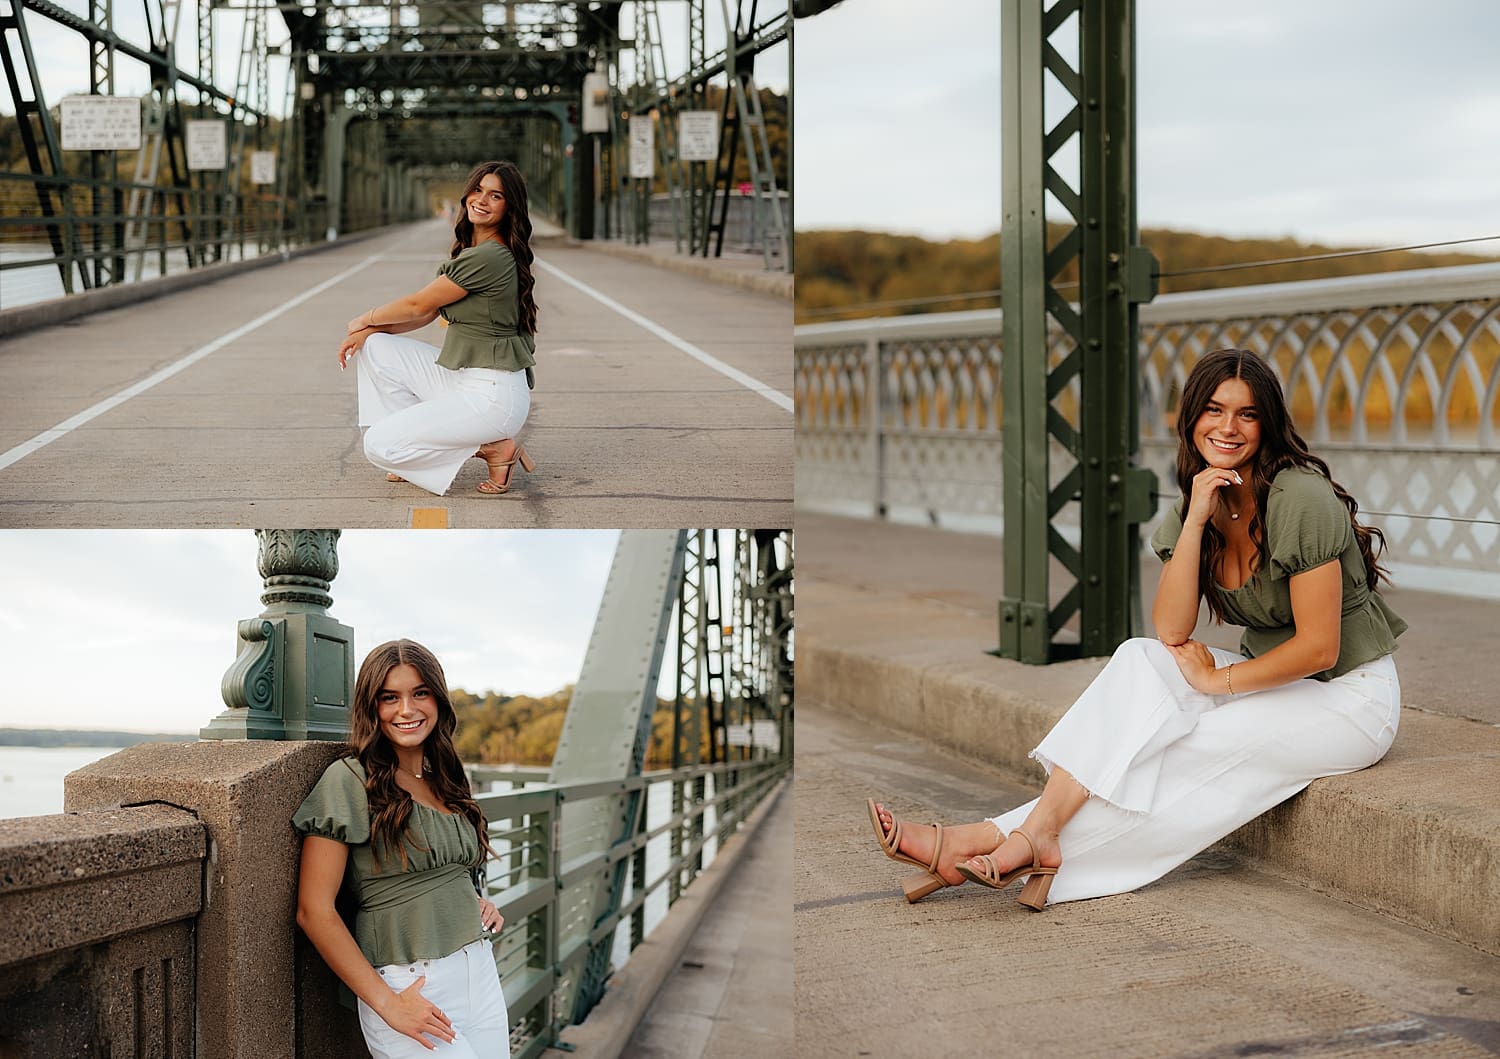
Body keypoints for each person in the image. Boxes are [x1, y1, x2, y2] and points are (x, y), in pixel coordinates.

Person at [869, 347, 1406, 909]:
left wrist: (1217, 682)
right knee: (1140, 658)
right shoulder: (1203, 496)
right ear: (1191, 416)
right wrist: (1196, 519)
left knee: (1185, 746)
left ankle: (982, 842)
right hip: (1278, 686)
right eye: (1214, 410)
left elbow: (1320, 650)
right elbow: (1171, 630)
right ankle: (1034, 834)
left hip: (1350, 699)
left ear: (1267, 423)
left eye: (1247, 414)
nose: (1228, 427)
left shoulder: (1299, 497)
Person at [295, 639, 510, 1057]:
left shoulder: (445, 780)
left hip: (479, 971)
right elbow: (314, 911)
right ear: (371, 706)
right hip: (410, 986)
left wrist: (475, 902)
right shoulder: (349, 779)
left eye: (420, 693)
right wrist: (389, 1005)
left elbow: (445, 872)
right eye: (390, 697)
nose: (407, 710)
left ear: (438, 699)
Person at [339, 160, 539, 496]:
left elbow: (418, 305)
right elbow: (427, 315)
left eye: (495, 196)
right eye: (478, 190)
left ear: (510, 207)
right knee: (376, 347)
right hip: (467, 379)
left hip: (494, 398)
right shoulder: (475, 252)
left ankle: (491, 447)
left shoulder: (490, 257)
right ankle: (412, 452)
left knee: (377, 446)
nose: (481, 200)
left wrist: (365, 318)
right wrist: (368, 333)